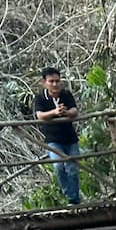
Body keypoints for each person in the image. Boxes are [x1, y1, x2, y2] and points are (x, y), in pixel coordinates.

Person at [34, 67, 82, 205]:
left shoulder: (66, 94)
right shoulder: (40, 98)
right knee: (59, 166)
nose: (55, 84)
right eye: (51, 81)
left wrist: (66, 113)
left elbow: (75, 110)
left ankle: (74, 200)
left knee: (73, 169)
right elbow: (40, 115)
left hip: (70, 138)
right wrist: (55, 112)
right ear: (44, 82)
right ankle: (70, 195)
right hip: (53, 140)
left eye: (57, 81)